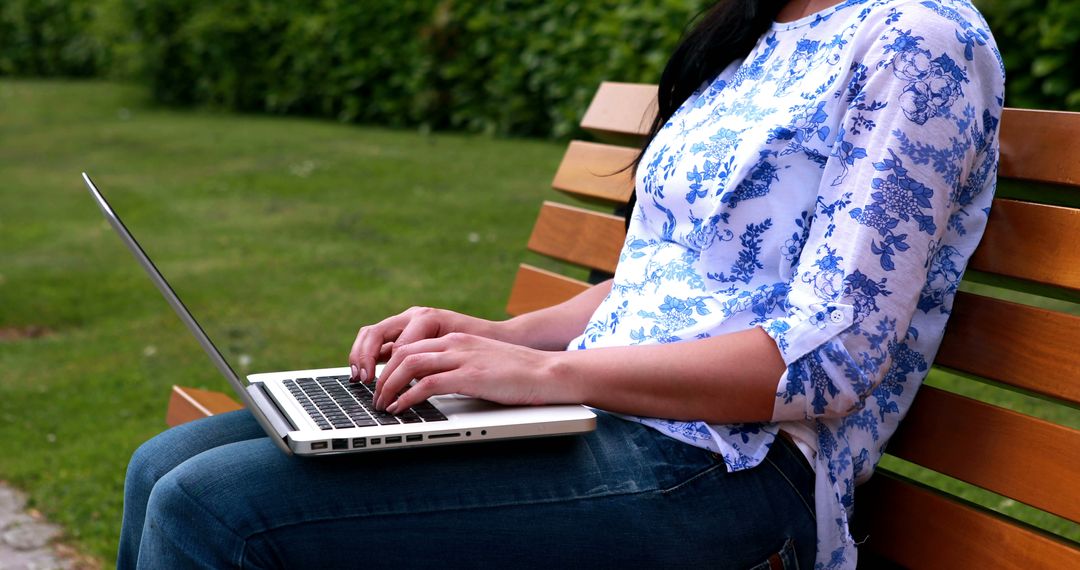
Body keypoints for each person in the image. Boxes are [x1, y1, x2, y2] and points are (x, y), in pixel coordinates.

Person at [118, 0, 1004, 568]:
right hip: (608, 422)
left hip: (732, 475)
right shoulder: (756, 30)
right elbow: (652, 285)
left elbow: (829, 361)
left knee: (215, 512)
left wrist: (548, 378)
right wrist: (491, 337)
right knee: (163, 466)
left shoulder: (918, 41)